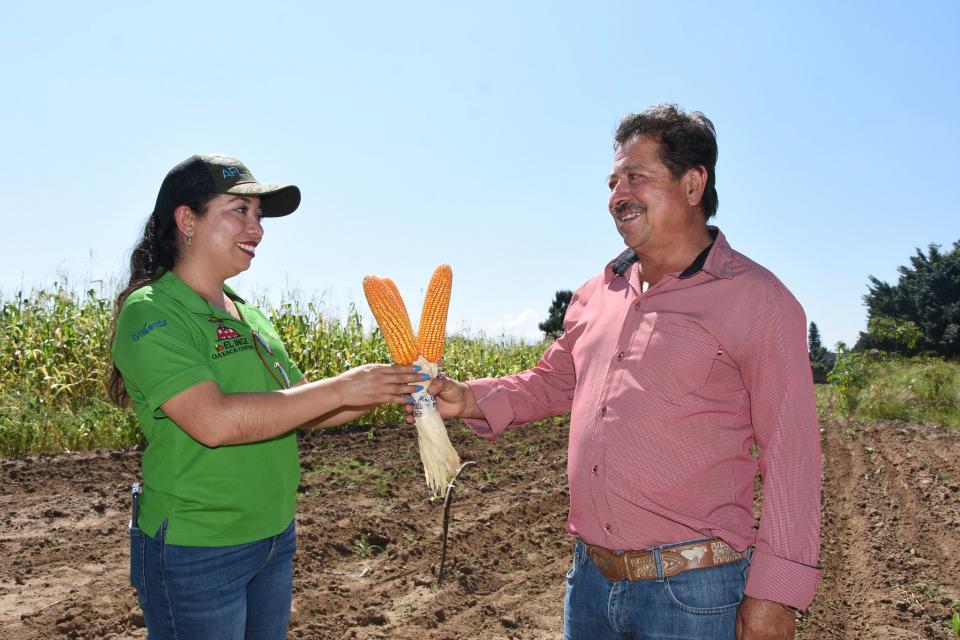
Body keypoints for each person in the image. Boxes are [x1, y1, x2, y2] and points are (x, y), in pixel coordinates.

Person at [412, 105, 821, 639]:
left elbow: (792, 455)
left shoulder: (757, 301)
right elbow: (554, 381)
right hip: (590, 584)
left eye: (636, 177)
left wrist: (775, 597)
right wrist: (465, 398)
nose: (616, 195)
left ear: (693, 183)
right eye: (612, 181)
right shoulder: (596, 293)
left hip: (694, 593)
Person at [109, 154, 424, 640]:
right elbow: (212, 422)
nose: (256, 227)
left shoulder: (246, 313)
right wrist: (344, 385)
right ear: (186, 219)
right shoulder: (151, 311)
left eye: (259, 215)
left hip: (274, 538)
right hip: (199, 547)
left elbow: (302, 403)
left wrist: (386, 389)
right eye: (239, 210)